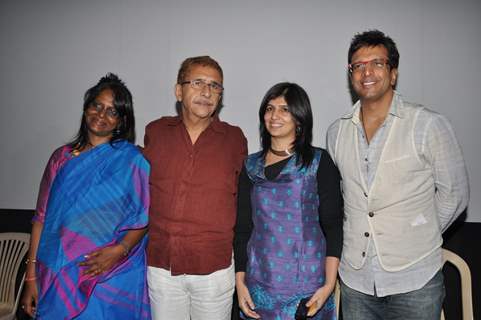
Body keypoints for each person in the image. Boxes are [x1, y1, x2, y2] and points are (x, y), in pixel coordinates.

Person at [326, 30, 469, 320]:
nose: (366, 71)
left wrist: (417, 232)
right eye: (358, 65)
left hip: (415, 279)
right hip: (356, 282)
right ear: (350, 74)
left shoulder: (428, 125)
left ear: (393, 73)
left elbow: (455, 194)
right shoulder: (336, 132)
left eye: (377, 63)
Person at [20, 73, 151, 319]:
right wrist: (31, 277)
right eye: (96, 105)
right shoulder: (61, 158)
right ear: (86, 108)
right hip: (59, 270)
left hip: (111, 274)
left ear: (121, 121)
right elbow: (41, 218)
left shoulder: (133, 161)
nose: (101, 114)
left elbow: (143, 217)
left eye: (112, 111)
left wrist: (118, 251)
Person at [143, 56, 247, 320]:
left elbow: (245, 200)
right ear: (179, 91)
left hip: (213, 268)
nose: (207, 92)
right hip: (163, 266)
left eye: (215, 86)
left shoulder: (234, 139)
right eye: (198, 82)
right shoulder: (156, 132)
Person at [234, 82, 343, 319]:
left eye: (285, 109)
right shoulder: (250, 167)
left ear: (300, 119)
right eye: (269, 108)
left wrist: (329, 284)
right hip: (259, 283)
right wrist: (240, 281)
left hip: (308, 285)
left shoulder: (317, 162)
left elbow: (333, 226)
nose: (275, 116)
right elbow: (243, 229)